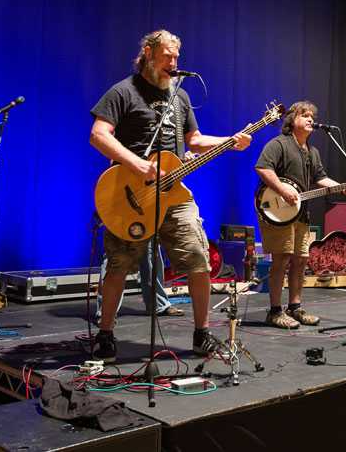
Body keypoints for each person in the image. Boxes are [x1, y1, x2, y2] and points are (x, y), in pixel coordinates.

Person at [89, 29, 251, 362]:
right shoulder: (124, 91)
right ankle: (105, 335)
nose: (174, 63)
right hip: (130, 193)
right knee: (118, 266)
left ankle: (201, 334)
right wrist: (138, 165)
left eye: (177, 57)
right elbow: (98, 135)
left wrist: (230, 139)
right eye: (167, 56)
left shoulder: (181, 97)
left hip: (174, 194)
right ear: (148, 53)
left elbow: (195, 140)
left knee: (198, 259)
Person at [255, 101, 346, 329]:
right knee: (281, 259)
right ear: (292, 120)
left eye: (312, 115)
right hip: (278, 212)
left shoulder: (312, 152)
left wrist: (344, 186)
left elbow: (321, 179)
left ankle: (295, 307)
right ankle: (274, 311)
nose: (311, 119)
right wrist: (283, 190)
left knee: (301, 260)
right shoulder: (279, 144)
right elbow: (262, 167)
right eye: (305, 115)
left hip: (300, 214)